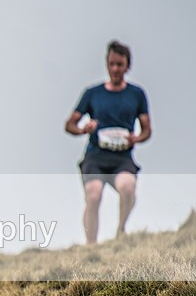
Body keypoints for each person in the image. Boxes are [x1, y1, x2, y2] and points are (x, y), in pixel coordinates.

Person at [65, 40, 152, 245]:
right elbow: (69, 124)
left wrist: (136, 138)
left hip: (122, 158)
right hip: (95, 156)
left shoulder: (136, 95)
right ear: (107, 64)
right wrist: (83, 129)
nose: (115, 69)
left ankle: (120, 231)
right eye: (112, 64)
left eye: (119, 65)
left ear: (127, 66)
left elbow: (147, 130)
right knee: (93, 195)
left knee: (128, 187)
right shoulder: (93, 94)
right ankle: (91, 246)